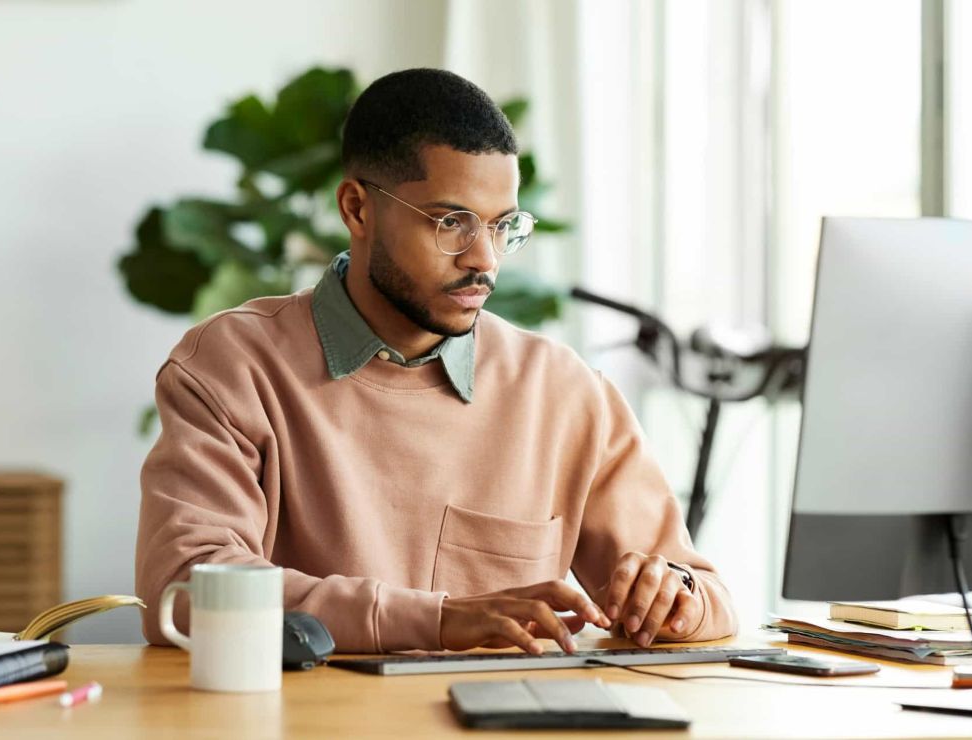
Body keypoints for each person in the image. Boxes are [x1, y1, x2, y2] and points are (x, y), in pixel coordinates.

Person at [136, 68, 737, 654]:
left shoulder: (563, 392)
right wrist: (439, 621)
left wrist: (673, 596)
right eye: (452, 222)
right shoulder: (233, 366)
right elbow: (186, 590)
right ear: (357, 209)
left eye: (504, 227)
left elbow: (707, 596)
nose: (485, 261)